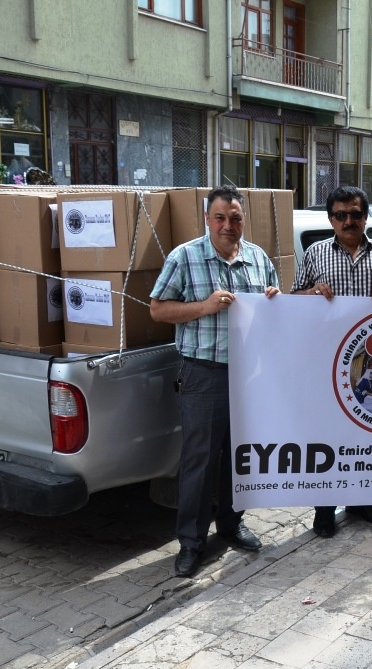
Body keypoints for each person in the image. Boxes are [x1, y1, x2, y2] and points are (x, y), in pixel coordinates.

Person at [150, 186, 280, 578]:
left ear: (244, 220)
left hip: (248, 375)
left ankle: (231, 524)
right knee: (199, 461)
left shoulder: (258, 258)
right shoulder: (185, 257)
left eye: (235, 218)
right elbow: (158, 309)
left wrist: (274, 299)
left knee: (240, 456)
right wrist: (204, 307)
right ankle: (191, 542)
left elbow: (273, 312)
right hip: (203, 374)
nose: (228, 225)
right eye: (220, 217)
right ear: (207, 219)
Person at [291, 185, 372, 537]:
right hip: (328, 361)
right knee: (327, 433)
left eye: (355, 214)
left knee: (367, 433)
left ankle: (364, 502)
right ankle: (324, 509)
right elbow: (294, 298)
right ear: (331, 219)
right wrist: (311, 293)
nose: (348, 221)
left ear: (365, 217)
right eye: (340, 215)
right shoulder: (315, 254)